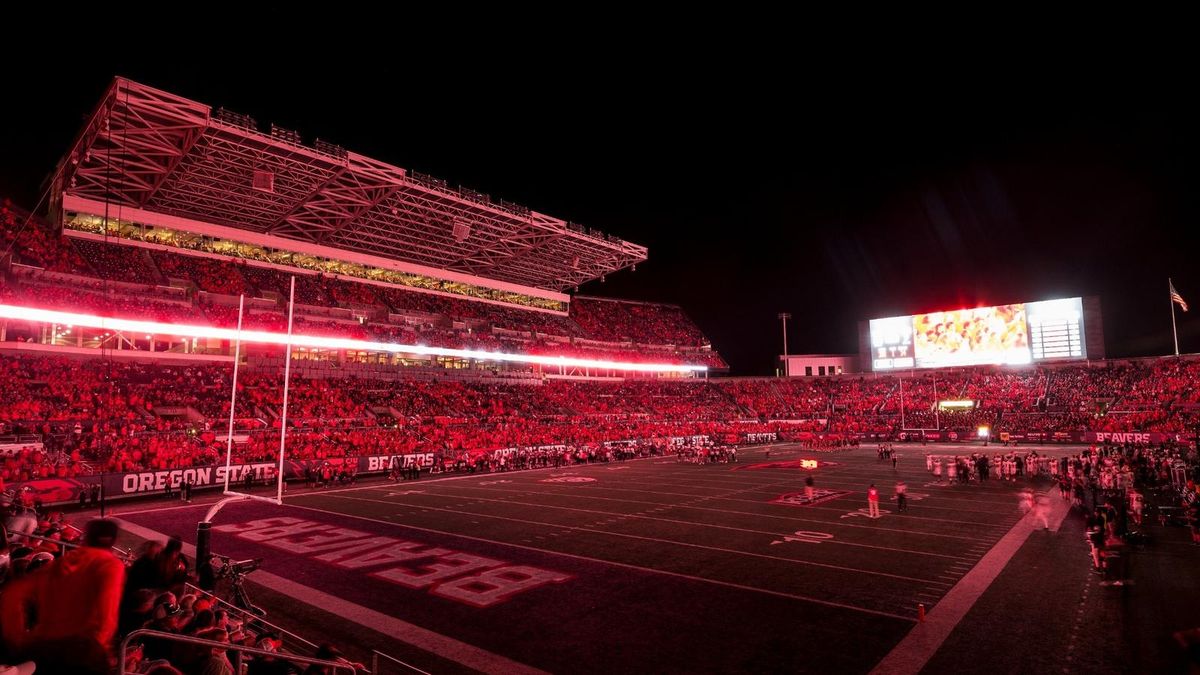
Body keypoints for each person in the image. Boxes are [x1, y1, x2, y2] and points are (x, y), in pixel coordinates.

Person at [0, 518, 126, 674]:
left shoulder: (60, 563)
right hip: (81, 652)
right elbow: (107, 611)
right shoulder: (110, 565)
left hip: (45, 646)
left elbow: (12, 594)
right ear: (113, 540)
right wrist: (99, 647)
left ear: (87, 537)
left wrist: (19, 638)